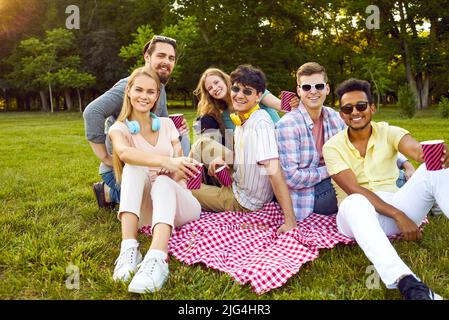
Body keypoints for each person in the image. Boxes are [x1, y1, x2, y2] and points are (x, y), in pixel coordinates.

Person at [322, 78, 448, 300]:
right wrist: (399, 215)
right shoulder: (332, 146)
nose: (355, 112)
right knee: (355, 201)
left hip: (395, 204)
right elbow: (354, 189)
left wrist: (438, 155)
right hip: (356, 219)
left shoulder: (388, 131)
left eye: (361, 106)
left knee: (434, 168)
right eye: (347, 108)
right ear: (341, 114)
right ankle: (407, 283)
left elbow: (417, 152)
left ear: (372, 107)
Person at [275, 62, 414, 221]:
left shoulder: (335, 117)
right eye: (307, 87)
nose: (313, 91)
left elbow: (365, 143)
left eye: (318, 86)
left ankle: (404, 190)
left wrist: (405, 163)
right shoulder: (288, 125)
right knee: (367, 180)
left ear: (326, 89)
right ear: (299, 91)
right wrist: (332, 169)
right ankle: (407, 193)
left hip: (339, 177)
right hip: (311, 195)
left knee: (376, 173)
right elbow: (291, 178)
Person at [108, 66, 201, 294]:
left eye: (151, 92)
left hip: (180, 205)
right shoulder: (119, 128)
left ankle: (158, 257)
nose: (144, 96)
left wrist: (173, 170)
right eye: (139, 90)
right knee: (133, 167)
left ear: (157, 96)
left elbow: (181, 169)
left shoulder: (168, 125)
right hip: (146, 212)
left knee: (161, 182)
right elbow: (124, 153)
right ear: (128, 91)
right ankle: (129, 248)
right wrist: (165, 162)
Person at [83, 35, 190, 209]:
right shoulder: (128, 86)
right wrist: (105, 157)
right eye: (161, 56)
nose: (167, 61)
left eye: (171, 58)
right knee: (156, 203)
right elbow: (92, 112)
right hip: (125, 168)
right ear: (147, 57)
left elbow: (159, 123)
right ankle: (108, 192)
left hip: (151, 163)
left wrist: (175, 127)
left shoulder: (159, 89)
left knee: (182, 139)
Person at [191, 64, 297, 234]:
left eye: (247, 92)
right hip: (239, 181)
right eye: (236, 89)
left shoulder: (260, 124)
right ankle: (199, 179)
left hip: (244, 202)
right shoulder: (239, 118)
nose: (239, 95)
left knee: (185, 189)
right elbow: (244, 153)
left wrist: (290, 220)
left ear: (258, 96)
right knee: (201, 144)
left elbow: (274, 172)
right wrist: (222, 160)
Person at [191, 67, 298, 185]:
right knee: (201, 145)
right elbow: (238, 145)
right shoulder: (225, 116)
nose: (215, 88)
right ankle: (193, 179)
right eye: (210, 88)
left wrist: (294, 104)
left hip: (277, 147)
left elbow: (281, 106)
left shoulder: (252, 92)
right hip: (253, 160)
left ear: (225, 80)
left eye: (216, 82)